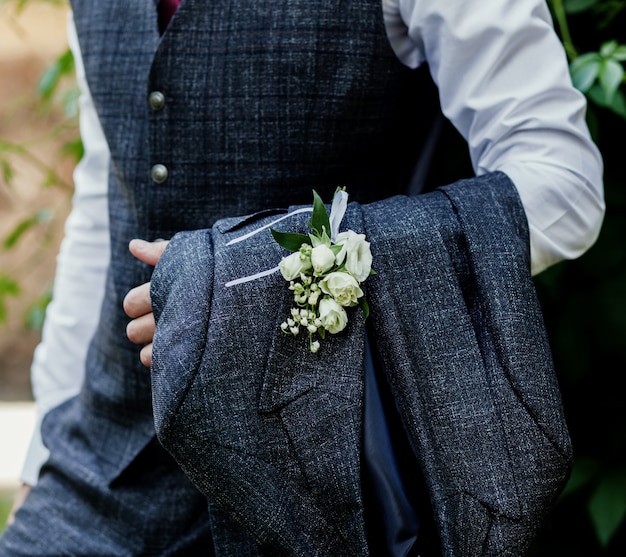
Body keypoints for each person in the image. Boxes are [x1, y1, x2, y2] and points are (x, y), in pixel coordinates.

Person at [0, 0, 604, 555]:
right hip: (104, 467)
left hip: (329, 477)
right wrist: (42, 453)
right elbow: (108, 189)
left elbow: (562, 183)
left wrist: (260, 277)